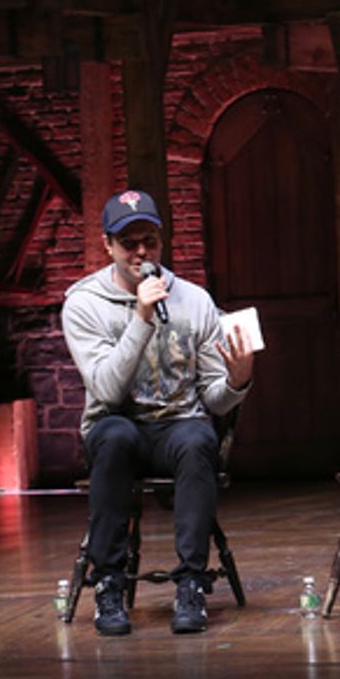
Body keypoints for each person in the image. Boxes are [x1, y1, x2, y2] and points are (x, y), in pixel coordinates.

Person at [62, 189, 255, 636]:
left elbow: (212, 400)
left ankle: (190, 583)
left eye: (149, 240)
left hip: (176, 424)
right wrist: (141, 318)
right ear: (108, 246)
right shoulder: (84, 303)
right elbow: (107, 390)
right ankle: (109, 583)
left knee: (198, 439)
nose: (141, 253)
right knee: (112, 439)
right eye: (129, 243)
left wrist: (238, 381)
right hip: (119, 424)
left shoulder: (193, 300)